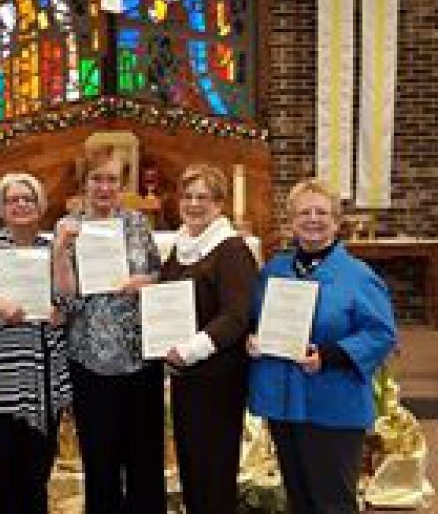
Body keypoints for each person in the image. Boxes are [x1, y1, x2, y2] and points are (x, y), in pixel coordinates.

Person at [248, 178, 397, 514]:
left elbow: (381, 333)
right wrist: (253, 339)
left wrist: (329, 355)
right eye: (304, 213)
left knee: (333, 503)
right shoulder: (274, 271)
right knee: (298, 499)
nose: (312, 219)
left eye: (321, 212)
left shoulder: (358, 275)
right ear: (291, 220)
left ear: (336, 221)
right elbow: (256, 319)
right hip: (284, 403)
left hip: (333, 404)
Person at [53, 145, 167, 514]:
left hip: (139, 359)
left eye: (112, 180)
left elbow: (159, 276)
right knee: (100, 463)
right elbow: (63, 301)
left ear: (122, 184)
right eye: (97, 179)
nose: (104, 187)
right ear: (84, 183)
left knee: (144, 461)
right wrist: (62, 253)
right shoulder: (67, 227)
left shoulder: (138, 224)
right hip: (90, 360)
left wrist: (145, 283)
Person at [0, 173, 71, 514]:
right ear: (2, 209)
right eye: (13, 200)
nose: (21, 205)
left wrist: (63, 314)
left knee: (34, 483)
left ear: (41, 206)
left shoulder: (55, 251)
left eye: (29, 198)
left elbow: (72, 302)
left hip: (43, 389)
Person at [160, 163, 258, 514]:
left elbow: (237, 316)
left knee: (214, 471)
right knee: (193, 467)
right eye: (187, 196)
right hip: (188, 377)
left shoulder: (231, 249)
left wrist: (189, 350)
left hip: (219, 378)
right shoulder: (182, 245)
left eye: (203, 197)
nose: (193, 204)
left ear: (219, 203)